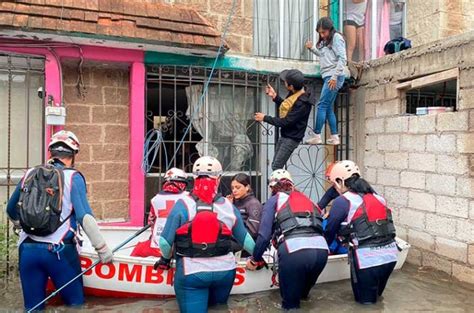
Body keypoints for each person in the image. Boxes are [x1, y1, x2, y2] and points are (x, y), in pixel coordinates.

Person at [6, 130, 113, 311]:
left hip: (27, 250)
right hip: (59, 252)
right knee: (75, 306)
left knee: (33, 309)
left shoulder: (30, 173)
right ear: (73, 155)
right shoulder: (73, 177)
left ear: (50, 153)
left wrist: (27, 225)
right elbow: (85, 218)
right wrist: (103, 250)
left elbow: (10, 211)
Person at [157, 156, 255, 313]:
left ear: (194, 178)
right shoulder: (228, 206)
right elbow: (246, 240)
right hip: (225, 272)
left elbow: (164, 243)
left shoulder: (182, 205)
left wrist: (165, 259)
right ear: (218, 178)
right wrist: (258, 259)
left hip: (192, 273)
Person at [246, 169, 328, 310]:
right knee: (304, 299)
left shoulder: (274, 200)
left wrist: (255, 259)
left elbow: (264, 235)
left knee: (291, 306)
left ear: (272, 187)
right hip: (321, 252)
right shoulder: (308, 200)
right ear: (291, 184)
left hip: (294, 252)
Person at [324, 160, 398, 304]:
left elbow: (330, 230)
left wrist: (326, 248)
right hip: (390, 256)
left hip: (367, 259)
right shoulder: (379, 198)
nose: (335, 188)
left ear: (340, 181)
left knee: (365, 305)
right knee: (377, 298)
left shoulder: (343, 201)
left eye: (334, 184)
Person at [255, 69, 313, 170]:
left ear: (291, 86)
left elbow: (286, 121)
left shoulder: (303, 103)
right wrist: (275, 96)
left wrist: (265, 118)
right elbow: (287, 107)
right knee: (275, 165)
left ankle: (282, 186)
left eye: (286, 82)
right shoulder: (295, 92)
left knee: (276, 166)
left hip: (292, 138)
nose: (284, 82)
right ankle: (279, 185)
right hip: (286, 135)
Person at [130, 167, 194, 257]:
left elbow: (151, 222)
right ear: (183, 183)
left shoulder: (155, 199)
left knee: (138, 250)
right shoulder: (190, 198)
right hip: (180, 249)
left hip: (156, 247)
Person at [305, 17, 347, 146]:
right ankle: (334, 137)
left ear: (330, 29)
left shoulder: (336, 38)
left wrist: (334, 77)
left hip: (334, 77)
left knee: (321, 105)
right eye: (320, 33)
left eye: (324, 32)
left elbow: (342, 59)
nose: (322, 35)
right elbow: (324, 55)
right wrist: (312, 48)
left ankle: (317, 135)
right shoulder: (326, 41)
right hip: (329, 76)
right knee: (328, 107)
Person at [226, 173, 262, 256]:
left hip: (244, 246)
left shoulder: (253, 204)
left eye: (238, 187)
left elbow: (252, 232)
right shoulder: (234, 203)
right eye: (232, 188)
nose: (234, 190)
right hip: (232, 241)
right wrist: (228, 207)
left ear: (247, 187)